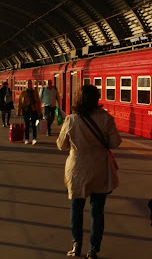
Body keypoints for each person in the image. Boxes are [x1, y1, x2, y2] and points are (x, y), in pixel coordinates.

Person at [57, 85, 121, 259]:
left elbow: (61, 145)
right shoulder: (106, 118)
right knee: (97, 211)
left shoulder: (71, 120)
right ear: (97, 98)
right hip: (100, 168)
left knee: (76, 208)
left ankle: (76, 245)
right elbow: (115, 143)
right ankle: (93, 250)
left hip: (77, 169)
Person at [17, 80, 43, 145]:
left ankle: (34, 139)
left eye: (30, 83)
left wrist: (40, 111)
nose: (29, 84)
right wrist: (18, 111)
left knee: (34, 125)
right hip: (25, 110)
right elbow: (20, 102)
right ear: (26, 85)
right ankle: (27, 139)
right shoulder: (23, 92)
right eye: (28, 83)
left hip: (33, 110)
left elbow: (38, 101)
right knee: (27, 125)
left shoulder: (35, 92)